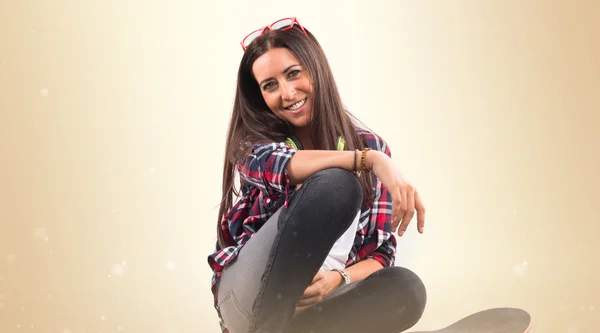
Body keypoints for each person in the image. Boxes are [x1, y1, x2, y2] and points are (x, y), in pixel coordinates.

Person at [207, 17, 427, 333]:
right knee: (336, 185)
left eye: (294, 73)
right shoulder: (251, 143)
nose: (287, 92)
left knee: (406, 288)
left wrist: (338, 279)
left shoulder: (370, 145)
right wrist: (370, 160)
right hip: (249, 300)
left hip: (319, 304)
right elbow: (282, 165)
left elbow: (381, 254)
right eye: (270, 85)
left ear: (317, 69)